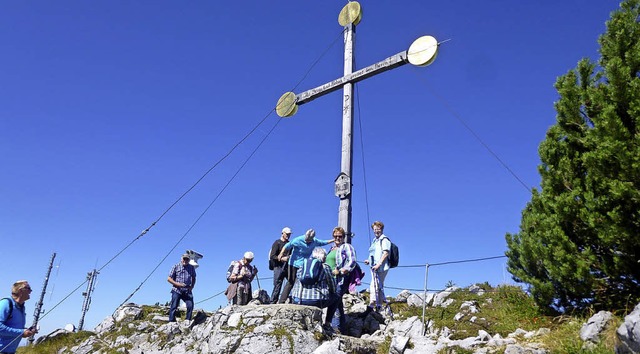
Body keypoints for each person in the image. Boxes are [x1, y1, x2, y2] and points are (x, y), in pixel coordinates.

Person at [291, 247, 339, 336]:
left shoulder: (302, 266)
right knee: (336, 297)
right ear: (323, 257)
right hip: (317, 300)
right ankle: (327, 324)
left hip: (299, 300)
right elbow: (333, 287)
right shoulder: (325, 267)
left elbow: (297, 281)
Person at [277, 229, 334, 304]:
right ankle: (282, 301)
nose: (307, 242)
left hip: (303, 264)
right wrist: (281, 253)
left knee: (302, 281)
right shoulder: (298, 240)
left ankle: (297, 299)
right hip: (293, 263)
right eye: (306, 240)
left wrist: (333, 240)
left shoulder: (314, 241)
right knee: (291, 282)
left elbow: (323, 242)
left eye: (309, 241)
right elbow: (287, 246)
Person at [330, 226, 357, 333]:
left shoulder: (346, 246)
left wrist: (342, 271)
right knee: (338, 302)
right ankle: (342, 329)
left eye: (340, 236)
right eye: (335, 236)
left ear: (343, 237)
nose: (337, 238)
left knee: (334, 300)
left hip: (341, 279)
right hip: (331, 279)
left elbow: (352, 261)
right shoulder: (332, 249)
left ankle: (335, 327)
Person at [0, 280, 37, 354]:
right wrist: (21, 332)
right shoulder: (6, 303)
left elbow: (15, 328)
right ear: (21, 290)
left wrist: (27, 331)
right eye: (28, 288)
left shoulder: (21, 307)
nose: (31, 291)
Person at [363, 221, 391, 311]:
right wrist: (368, 260)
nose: (376, 231)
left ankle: (372, 304)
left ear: (382, 229)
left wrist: (379, 264)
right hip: (374, 266)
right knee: (378, 285)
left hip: (382, 267)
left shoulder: (384, 239)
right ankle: (379, 305)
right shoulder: (375, 240)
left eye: (378, 229)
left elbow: (386, 253)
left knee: (375, 284)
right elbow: (373, 252)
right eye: (374, 229)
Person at [167, 253, 197, 322]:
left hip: (187, 290)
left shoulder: (191, 268)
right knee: (174, 306)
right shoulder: (176, 266)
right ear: (181, 259)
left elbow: (194, 277)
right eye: (184, 259)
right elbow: (169, 278)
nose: (185, 260)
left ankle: (187, 320)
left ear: (189, 260)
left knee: (190, 305)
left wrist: (192, 286)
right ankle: (171, 321)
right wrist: (177, 284)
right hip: (177, 289)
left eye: (187, 259)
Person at [269, 227, 292, 304]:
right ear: (283, 233)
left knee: (291, 282)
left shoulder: (289, 244)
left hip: (287, 267)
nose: (288, 236)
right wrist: (282, 259)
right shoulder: (277, 243)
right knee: (277, 284)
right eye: (287, 234)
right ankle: (273, 302)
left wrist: (288, 258)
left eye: (289, 234)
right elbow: (272, 256)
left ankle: (287, 299)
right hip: (278, 267)